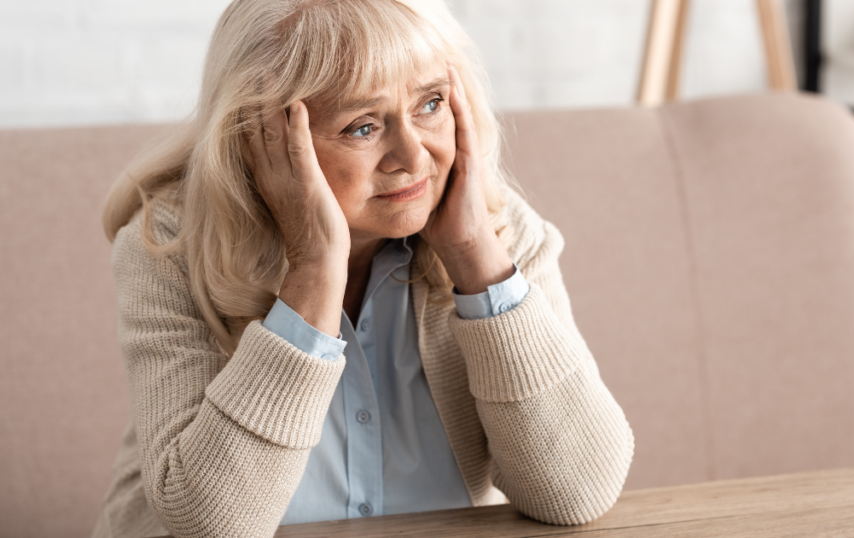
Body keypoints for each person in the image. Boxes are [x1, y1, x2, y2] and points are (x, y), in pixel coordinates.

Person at [91, 0, 633, 536]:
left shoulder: (501, 230)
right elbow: (209, 524)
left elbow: (578, 493)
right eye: (363, 126)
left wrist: (474, 255)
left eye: (430, 103)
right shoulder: (168, 244)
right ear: (261, 139)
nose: (413, 156)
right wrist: (313, 271)